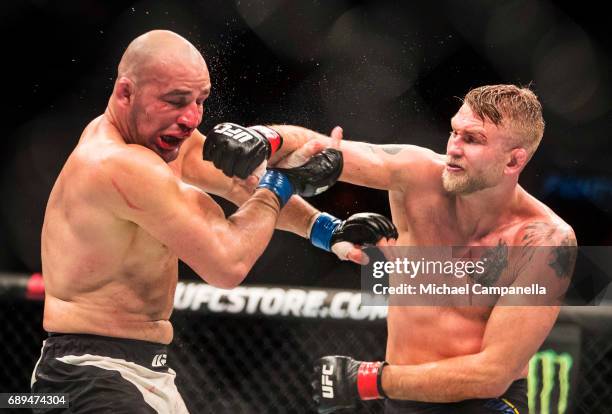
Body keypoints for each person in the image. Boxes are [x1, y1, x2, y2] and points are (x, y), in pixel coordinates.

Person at [30, 30, 396, 413]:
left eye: (200, 101)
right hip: (89, 378)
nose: (190, 119)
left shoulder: (160, 142)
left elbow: (242, 184)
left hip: (135, 371)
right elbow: (227, 262)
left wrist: (326, 228)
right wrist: (283, 182)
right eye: (175, 102)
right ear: (125, 93)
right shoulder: (116, 165)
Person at [209, 85, 578, 413]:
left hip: (487, 403)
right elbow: (317, 146)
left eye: (473, 139)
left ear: (514, 160)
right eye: (454, 131)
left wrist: (366, 380)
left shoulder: (544, 241)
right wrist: (264, 138)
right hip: (400, 397)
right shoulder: (418, 176)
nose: (454, 148)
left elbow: (492, 374)